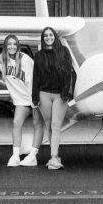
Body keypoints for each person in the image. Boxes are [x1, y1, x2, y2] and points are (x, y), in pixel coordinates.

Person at [0, 34, 44, 167]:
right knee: (16, 123)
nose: (12, 46)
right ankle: (15, 155)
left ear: (17, 46)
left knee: (37, 124)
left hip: (35, 96)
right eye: (9, 44)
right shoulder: (1, 59)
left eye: (14, 44)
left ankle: (33, 156)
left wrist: (35, 98)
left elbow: (33, 79)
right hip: (21, 100)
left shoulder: (25, 59)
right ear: (5, 46)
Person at [31, 26, 76, 170]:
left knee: (56, 125)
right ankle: (54, 155)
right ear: (43, 39)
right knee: (49, 125)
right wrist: (34, 97)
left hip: (60, 95)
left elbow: (69, 73)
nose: (48, 37)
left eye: (51, 35)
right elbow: (36, 77)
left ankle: (54, 158)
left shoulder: (64, 52)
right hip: (44, 93)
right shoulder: (38, 55)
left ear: (55, 37)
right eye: (45, 36)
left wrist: (66, 93)